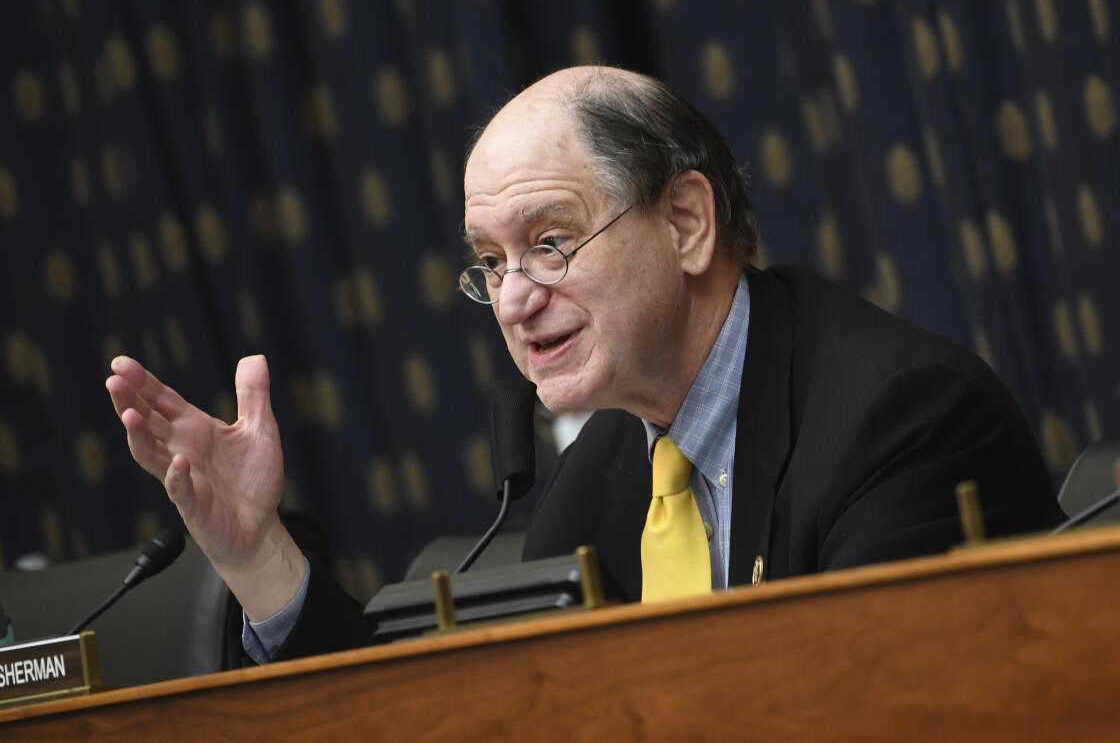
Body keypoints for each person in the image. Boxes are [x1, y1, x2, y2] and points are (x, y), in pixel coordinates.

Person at [106, 66, 1063, 663]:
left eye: (551, 240)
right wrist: (258, 555)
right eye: (490, 262)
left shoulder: (896, 423)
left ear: (687, 223)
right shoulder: (598, 480)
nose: (515, 297)